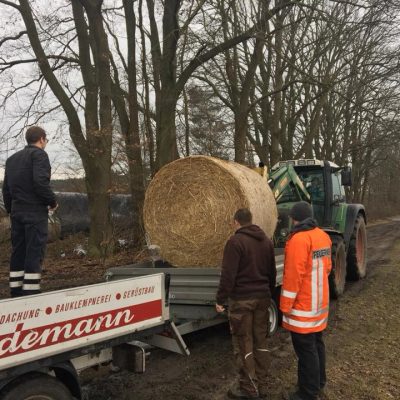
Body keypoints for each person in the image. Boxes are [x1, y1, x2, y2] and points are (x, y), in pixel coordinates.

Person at [216, 208, 276, 400]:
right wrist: (267, 292)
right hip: (262, 298)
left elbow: (228, 275)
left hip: (242, 300)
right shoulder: (266, 241)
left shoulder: (235, 242)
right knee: (261, 340)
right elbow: (271, 272)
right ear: (251, 220)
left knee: (243, 343)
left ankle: (249, 389)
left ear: (236, 222)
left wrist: (220, 299)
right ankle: (264, 382)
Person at [280, 201, 332, 400]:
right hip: (319, 306)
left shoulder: (299, 240)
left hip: (303, 308)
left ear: (294, 218)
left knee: (306, 351)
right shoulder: (323, 236)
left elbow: (293, 277)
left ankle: (307, 393)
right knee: (317, 345)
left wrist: (285, 305)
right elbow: (327, 268)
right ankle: (318, 382)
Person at [2, 126, 57, 297]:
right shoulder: (39, 155)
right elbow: (40, 182)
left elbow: (6, 190)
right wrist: (52, 201)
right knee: (35, 250)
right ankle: (31, 294)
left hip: (17, 212)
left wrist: (12, 210)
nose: (45, 143)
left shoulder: (11, 160)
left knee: (18, 250)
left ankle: (16, 290)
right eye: (46, 140)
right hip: (35, 212)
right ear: (41, 139)